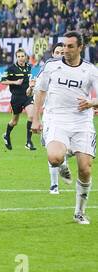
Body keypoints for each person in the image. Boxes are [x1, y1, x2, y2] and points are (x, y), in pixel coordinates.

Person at [32, 31, 98, 224]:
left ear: (80, 48)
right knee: (54, 157)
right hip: (56, 118)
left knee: (85, 169)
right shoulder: (52, 66)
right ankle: (62, 163)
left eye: (70, 47)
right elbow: (41, 92)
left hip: (82, 121)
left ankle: (79, 212)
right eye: (64, 46)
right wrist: (36, 119)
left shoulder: (90, 70)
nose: (66, 50)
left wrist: (91, 103)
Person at [27, 42, 66, 195]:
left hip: (67, 116)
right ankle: (54, 185)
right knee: (51, 151)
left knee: (63, 149)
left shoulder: (74, 71)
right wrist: (30, 87)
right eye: (58, 52)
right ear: (53, 54)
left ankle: (63, 161)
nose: (60, 55)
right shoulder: (47, 70)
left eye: (63, 52)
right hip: (50, 115)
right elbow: (31, 92)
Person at [1, 48, 36, 151]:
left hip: (27, 96)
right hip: (16, 98)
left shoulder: (29, 67)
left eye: (22, 56)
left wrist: (31, 85)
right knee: (14, 121)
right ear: (16, 57)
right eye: (19, 56)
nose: (21, 58)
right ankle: (7, 135)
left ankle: (28, 142)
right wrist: (15, 82)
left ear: (26, 57)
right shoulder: (11, 69)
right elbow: (2, 81)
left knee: (31, 115)